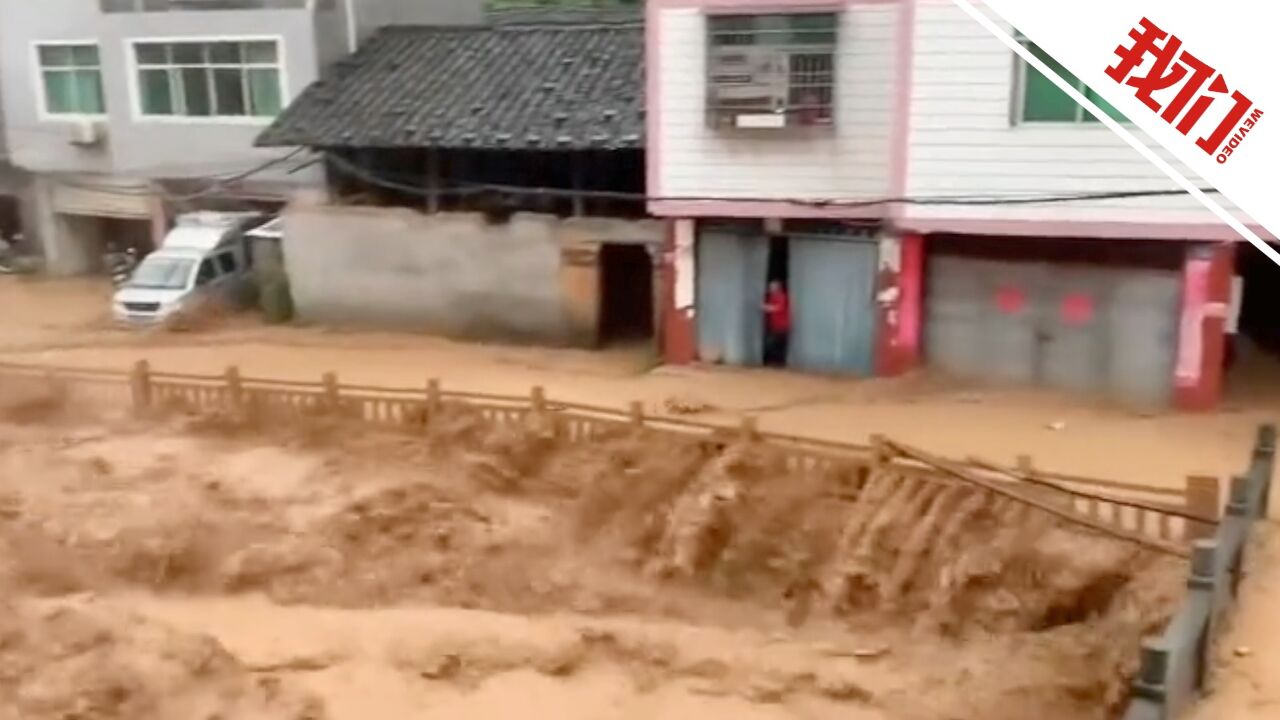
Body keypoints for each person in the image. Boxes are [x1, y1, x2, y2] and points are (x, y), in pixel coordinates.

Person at [762, 280, 791, 367]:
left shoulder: (782, 296)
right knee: (773, 344)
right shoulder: (772, 297)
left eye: (772, 287)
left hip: (782, 325)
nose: (770, 289)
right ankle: (774, 363)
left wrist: (766, 307)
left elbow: (779, 308)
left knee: (777, 345)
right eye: (770, 287)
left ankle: (779, 364)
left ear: (777, 288)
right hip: (774, 325)